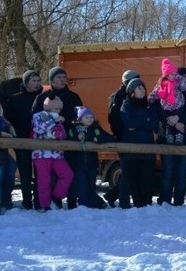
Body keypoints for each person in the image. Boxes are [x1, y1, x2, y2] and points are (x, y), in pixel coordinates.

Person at [32, 67, 82, 209]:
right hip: (44, 147)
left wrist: (77, 131)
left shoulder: (74, 97)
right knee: (45, 178)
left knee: (68, 174)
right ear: (52, 80)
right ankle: (45, 204)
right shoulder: (42, 98)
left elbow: (79, 117)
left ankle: (69, 201)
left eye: (64, 77)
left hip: (68, 140)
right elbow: (35, 120)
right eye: (58, 77)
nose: (62, 80)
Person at [153, 66, 186, 206]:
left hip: (184, 135)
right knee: (168, 169)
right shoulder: (165, 87)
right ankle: (164, 200)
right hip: (166, 136)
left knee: (182, 171)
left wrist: (179, 118)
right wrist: (170, 120)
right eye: (184, 76)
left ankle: (178, 200)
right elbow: (158, 108)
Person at [5, 70, 43, 209]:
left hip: (40, 140)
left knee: (40, 172)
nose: (37, 83)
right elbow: (8, 118)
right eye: (34, 81)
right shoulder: (15, 99)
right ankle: (27, 201)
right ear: (26, 82)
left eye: (38, 81)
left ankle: (39, 200)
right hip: (21, 139)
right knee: (25, 172)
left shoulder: (44, 98)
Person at [119, 78, 158, 208]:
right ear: (132, 92)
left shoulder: (149, 105)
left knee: (146, 179)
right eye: (139, 88)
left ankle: (145, 205)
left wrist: (139, 123)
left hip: (147, 149)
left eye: (143, 88)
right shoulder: (126, 105)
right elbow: (128, 121)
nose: (142, 90)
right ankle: (127, 206)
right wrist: (145, 120)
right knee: (130, 179)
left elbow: (154, 123)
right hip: (130, 150)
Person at [31, 96, 74, 211]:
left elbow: (63, 135)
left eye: (59, 109)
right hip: (41, 154)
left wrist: (60, 132)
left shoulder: (58, 118)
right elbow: (39, 129)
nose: (58, 111)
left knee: (67, 174)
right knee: (43, 180)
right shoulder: (38, 116)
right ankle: (45, 204)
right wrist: (53, 120)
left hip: (56, 153)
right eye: (55, 109)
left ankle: (56, 196)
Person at [105, 70, 140, 206]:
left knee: (131, 171)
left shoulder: (123, 95)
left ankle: (113, 196)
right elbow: (113, 118)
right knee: (128, 171)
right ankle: (123, 201)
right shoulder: (119, 97)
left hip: (128, 137)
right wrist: (121, 133)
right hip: (124, 138)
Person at [67, 105, 113, 208]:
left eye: (91, 117)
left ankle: (94, 202)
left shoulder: (95, 129)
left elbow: (108, 137)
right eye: (86, 117)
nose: (89, 119)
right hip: (78, 163)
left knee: (91, 184)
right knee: (82, 185)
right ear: (80, 119)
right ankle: (84, 204)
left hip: (91, 163)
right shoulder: (74, 129)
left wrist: (98, 139)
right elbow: (67, 138)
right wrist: (76, 138)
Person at [148, 59, 186, 145]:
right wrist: (149, 100)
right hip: (167, 107)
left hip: (178, 105)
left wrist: (180, 77)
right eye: (172, 74)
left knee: (178, 122)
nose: (174, 76)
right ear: (166, 75)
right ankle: (170, 136)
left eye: (175, 74)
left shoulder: (177, 81)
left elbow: (185, 87)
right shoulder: (160, 85)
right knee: (169, 123)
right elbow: (154, 94)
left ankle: (179, 136)